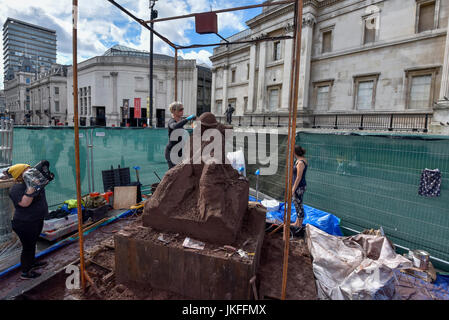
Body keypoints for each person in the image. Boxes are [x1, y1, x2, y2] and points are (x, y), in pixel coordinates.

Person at [7, 164, 49, 279]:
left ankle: (32, 263)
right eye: (27, 169)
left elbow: (45, 181)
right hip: (24, 223)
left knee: (32, 243)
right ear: (21, 174)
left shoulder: (33, 183)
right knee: (28, 247)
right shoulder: (16, 189)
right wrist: (31, 187)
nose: (31, 171)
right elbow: (25, 203)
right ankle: (26, 272)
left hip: (35, 220)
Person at [165, 101, 196, 169]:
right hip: (171, 153)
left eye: (183, 109)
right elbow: (175, 126)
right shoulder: (171, 121)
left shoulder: (180, 122)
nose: (182, 111)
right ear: (174, 111)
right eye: (180, 109)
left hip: (179, 152)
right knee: (173, 174)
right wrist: (187, 119)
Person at [291, 145, 308, 228]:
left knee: (298, 204)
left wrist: (293, 189)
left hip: (299, 186)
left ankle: (299, 224)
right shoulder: (300, 160)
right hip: (300, 186)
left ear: (294, 152)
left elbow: (298, 177)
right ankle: (297, 222)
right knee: (297, 203)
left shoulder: (300, 162)